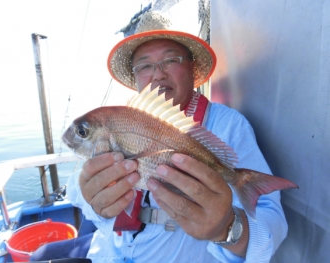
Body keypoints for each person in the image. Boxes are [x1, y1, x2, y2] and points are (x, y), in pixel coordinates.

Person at [31, 12, 288, 263]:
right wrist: (94, 202)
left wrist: (227, 228)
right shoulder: (119, 121)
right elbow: (86, 201)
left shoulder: (228, 125)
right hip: (109, 252)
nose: (157, 74)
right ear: (135, 78)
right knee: (37, 256)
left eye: (171, 60)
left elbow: (273, 227)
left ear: (193, 67)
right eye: (144, 66)